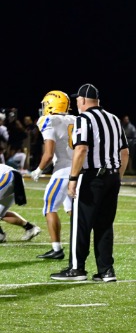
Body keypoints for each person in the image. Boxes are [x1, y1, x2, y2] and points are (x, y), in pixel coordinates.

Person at [50, 83, 129, 282]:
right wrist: (117, 177)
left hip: (92, 176)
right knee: (105, 224)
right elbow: (125, 153)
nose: (77, 102)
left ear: (84, 100)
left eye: (78, 99)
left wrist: (73, 178)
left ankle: (76, 268)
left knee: (81, 223)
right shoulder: (114, 119)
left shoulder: (84, 119)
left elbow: (81, 149)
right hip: (112, 176)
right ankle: (106, 270)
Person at [30, 90, 76, 259]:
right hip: (79, 170)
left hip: (63, 171)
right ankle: (79, 243)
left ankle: (57, 249)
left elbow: (49, 154)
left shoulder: (49, 120)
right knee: (72, 209)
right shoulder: (76, 119)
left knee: (49, 207)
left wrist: (39, 169)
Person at [0, 163, 41, 243]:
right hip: (14, 178)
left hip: (7, 176)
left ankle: (0, 235)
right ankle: (30, 228)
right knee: (1, 214)